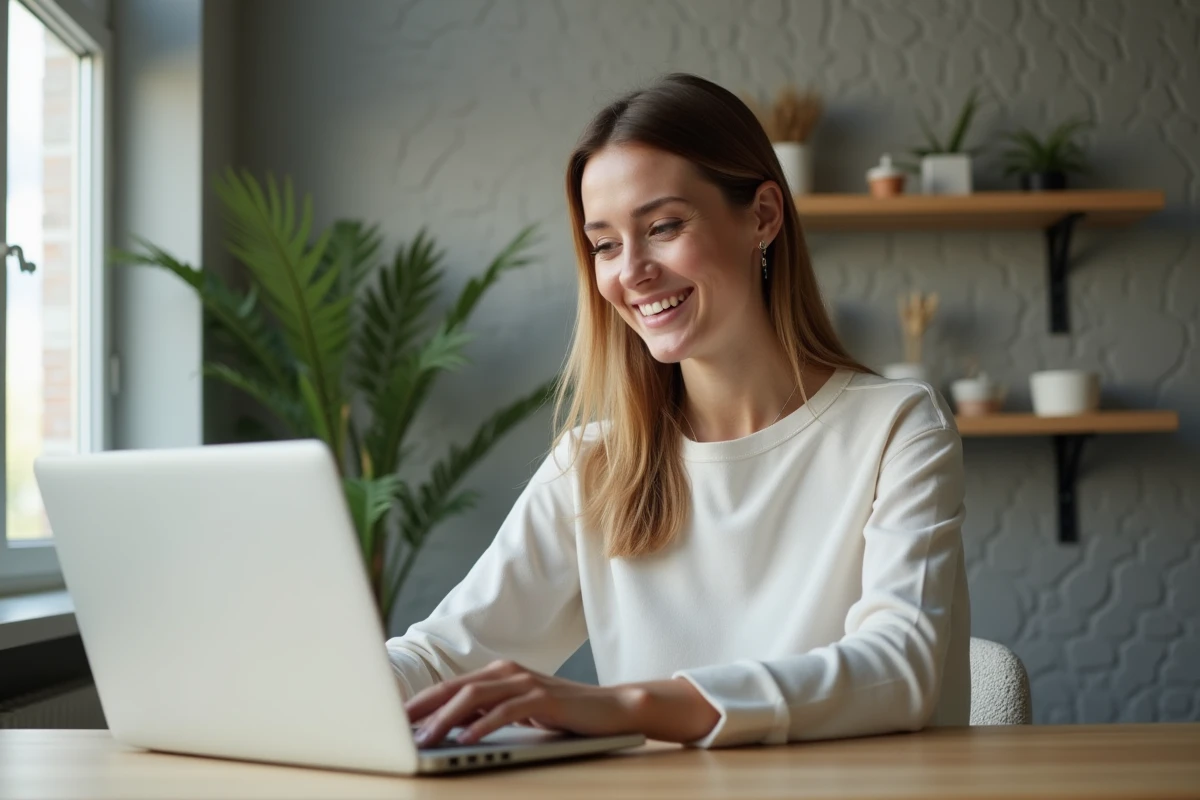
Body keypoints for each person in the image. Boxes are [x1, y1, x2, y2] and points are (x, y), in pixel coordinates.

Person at [386, 72, 970, 749]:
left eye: (662, 226)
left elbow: (902, 668)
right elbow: (440, 659)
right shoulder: (594, 464)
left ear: (763, 216)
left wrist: (628, 705)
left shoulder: (896, 427)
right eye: (604, 244)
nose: (631, 271)